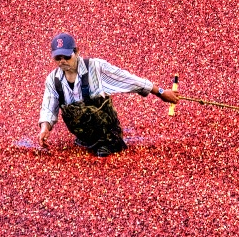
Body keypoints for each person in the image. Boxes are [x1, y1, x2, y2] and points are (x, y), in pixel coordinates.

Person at [38, 32, 179, 157]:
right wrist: (45, 128)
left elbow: (128, 79)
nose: (62, 61)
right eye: (58, 57)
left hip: (108, 135)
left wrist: (160, 92)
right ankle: (87, 141)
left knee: (105, 152)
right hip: (83, 137)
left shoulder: (95, 67)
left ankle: (110, 143)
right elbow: (48, 107)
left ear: (77, 52)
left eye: (67, 56)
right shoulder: (53, 80)